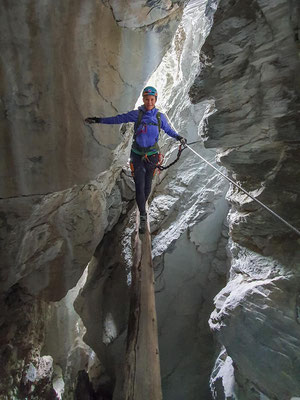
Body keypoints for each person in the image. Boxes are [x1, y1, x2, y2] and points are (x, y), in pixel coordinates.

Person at [85, 86, 186, 234]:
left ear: (155, 100)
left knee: (147, 185)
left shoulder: (160, 117)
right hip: (137, 154)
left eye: (152, 99)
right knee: (139, 185)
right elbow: (118, 119)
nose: (149, 102)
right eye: (147, 99)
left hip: (152, 155)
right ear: (143, 99)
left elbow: (169, 130)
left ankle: (142, 204)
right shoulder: (137, 114)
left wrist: (179, 137)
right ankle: (143, 216)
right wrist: (98, 120)